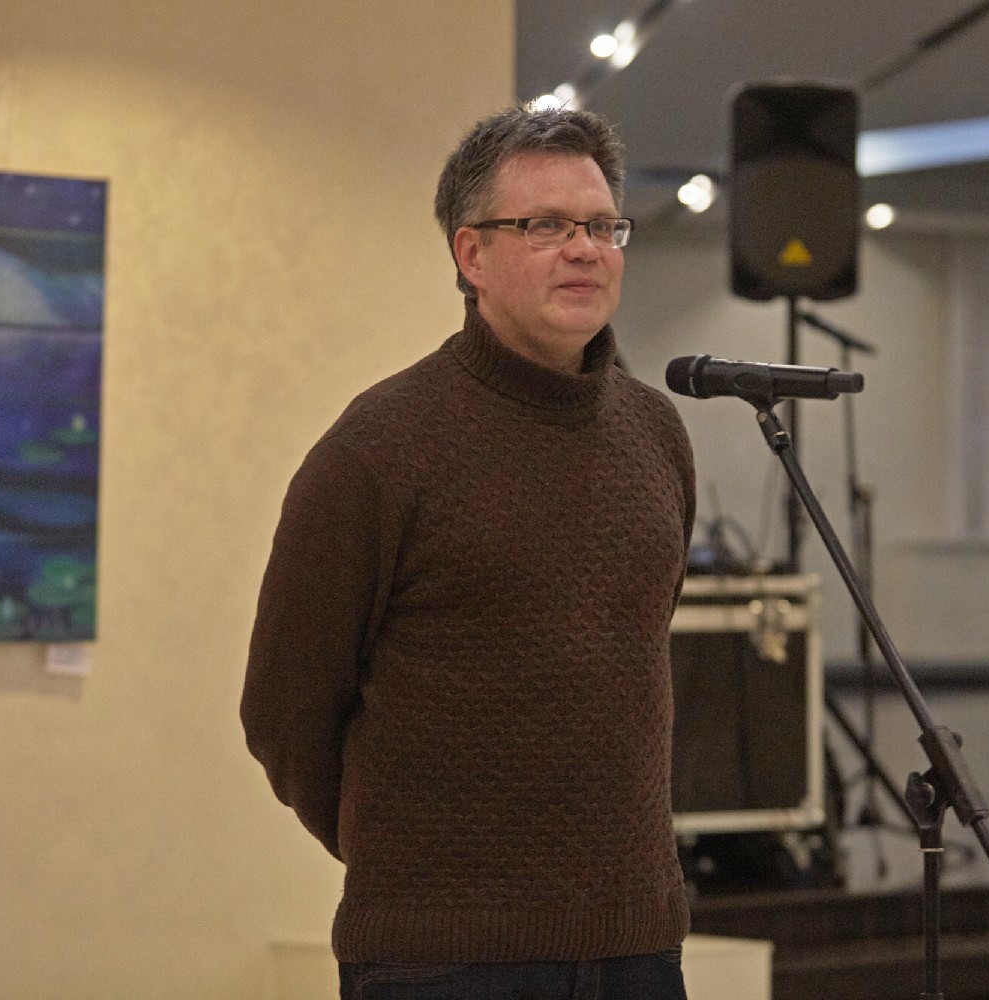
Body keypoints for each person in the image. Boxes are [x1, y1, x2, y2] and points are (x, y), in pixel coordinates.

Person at [241, 105, 697, 1000]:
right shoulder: (379, 446)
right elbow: (286, 711)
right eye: (546, 226)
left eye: (602, 226)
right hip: (441, 955)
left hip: (637, 948)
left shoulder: (657, 433)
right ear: (471, 255)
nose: (585, 249)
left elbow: (629, 659)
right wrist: (409, 856)